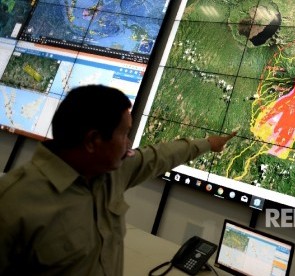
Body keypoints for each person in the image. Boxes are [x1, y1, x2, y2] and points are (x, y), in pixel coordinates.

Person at [0, 85, 236, 275]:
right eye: (124, 134)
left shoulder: (108, 172)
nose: (129, 144)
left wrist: (208, 144)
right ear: (93, 141)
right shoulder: (12, 203)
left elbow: (159, 157)